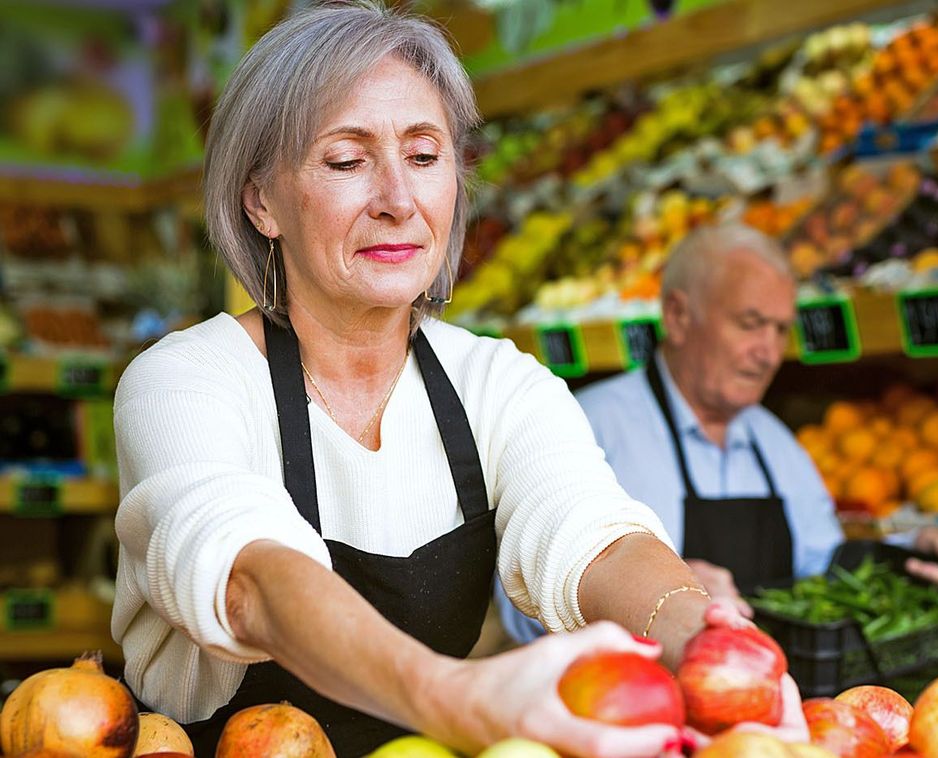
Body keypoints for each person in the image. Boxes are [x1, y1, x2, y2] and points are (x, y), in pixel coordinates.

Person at [110, 5, 802, 757]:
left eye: (424, 155)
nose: (397, 200)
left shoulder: (498, 385)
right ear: (261, 202)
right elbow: (246, 578)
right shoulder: (185, 381)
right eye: (346, 161)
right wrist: (453, 695)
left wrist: (705, 646)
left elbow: (593, 537)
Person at [499, 223, 938, 643]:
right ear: (678, 315)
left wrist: (911, 555)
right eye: (751, 324)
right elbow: (517, 605)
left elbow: (822, 562)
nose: (769, 352)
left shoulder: (777, 446)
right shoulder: (588, 428)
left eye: (780, 330)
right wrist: (653, 598)